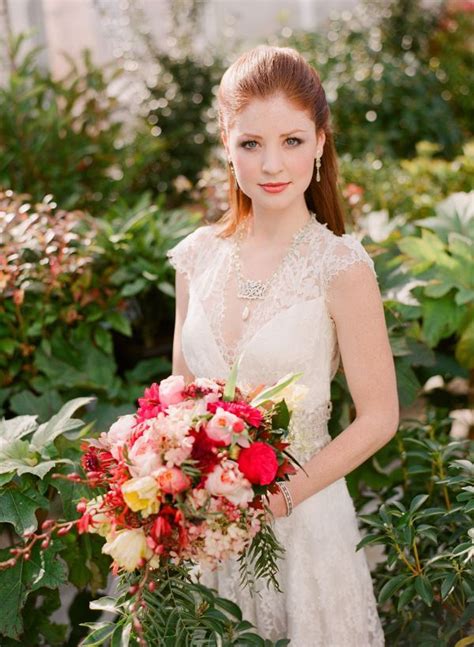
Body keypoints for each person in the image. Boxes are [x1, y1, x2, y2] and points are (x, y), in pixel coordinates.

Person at [166, 44, 399, 646]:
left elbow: (379, 418)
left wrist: (276, 504)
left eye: (292, 141)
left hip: (306, 521)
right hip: (206, 527)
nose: (272, 164)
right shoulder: (195, 256)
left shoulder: (341, 266)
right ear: (226, 140)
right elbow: (180, 394)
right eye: (251, 143)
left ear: (321, 142)